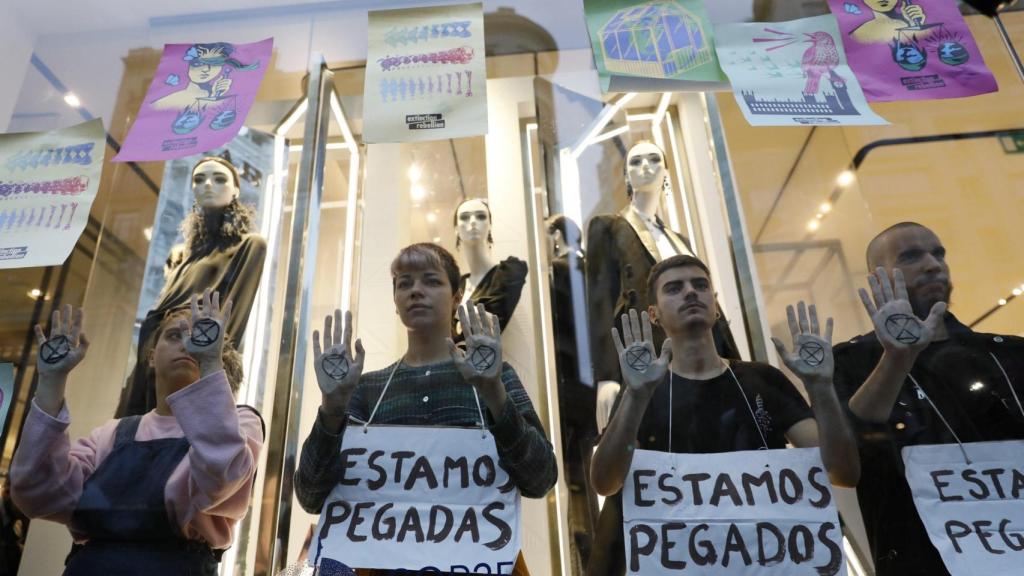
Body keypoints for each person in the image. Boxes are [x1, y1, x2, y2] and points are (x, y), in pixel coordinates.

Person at [293, 242, 557, 575]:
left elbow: (540, 479)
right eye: (404, 283)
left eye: (431, 280)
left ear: (457, 297)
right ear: (395, 301)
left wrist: (494, 394)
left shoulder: (496, 378)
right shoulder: (366, 388)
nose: (416, 290)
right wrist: (331, 408)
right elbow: (310, 495)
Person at [587, 255, 859, 576]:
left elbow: (842, 472)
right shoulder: (644, 390)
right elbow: (605, 482)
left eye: (700, 285)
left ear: (715, 305)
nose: (690, 292)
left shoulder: (763, 380)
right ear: (654, 314)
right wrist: (635, 395)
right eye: (674, 288)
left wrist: (821, 388)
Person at [10, 291, 263, 575]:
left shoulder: (241, 422)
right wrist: (50, 382)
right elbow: (36, 493)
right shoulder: (111, 434)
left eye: (198, 335)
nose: (187, 344)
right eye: (174, 336)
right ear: (152, 357)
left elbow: (223, 477)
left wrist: (210, 363)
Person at [833, 222, 1024, 576]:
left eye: (939, 254)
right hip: (920, 560)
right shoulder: (851, 361)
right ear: (877, 279)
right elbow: (846, 462)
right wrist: (895, 359)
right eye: (910, 257)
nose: (933, 265)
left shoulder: (1008, 354)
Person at [586, 140, 739, 433]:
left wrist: (733, 362)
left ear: (666, 172)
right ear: (626, 176)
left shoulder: (679, 239)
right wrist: (607, 376)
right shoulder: (607, 227)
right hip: (648, 360)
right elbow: (599, 304)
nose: (645, 166)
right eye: (635, 161)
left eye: (654, 159)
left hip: (705, 357)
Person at [118, 156, 266, 417]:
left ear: (236, 190)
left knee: (181, 427)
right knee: (134, 424)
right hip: (155, 346)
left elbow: (234, 316)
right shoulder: (183, 253)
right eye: (199, 179)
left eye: (219, 179)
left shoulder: (250, 245)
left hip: (193, 349)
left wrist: (215, 365)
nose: (208, 184)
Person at [452, 198, 528, 342]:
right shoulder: (456, 285)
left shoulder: (510, 272)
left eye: (481, 216)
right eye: (465, 217)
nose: (473, 221)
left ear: (490, 225)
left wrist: (452, 310)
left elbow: (492, 323)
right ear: (456, 228)